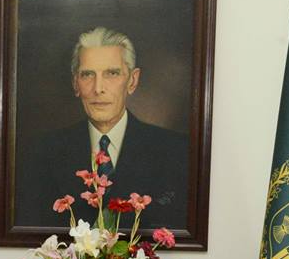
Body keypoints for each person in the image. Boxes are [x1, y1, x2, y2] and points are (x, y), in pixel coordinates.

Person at [15, 26, 189, 230]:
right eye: (87, 75)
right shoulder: (41, 151)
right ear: (75, 84)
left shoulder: (177, 151)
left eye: (112, 73)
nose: (98, 88)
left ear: (132, 81)